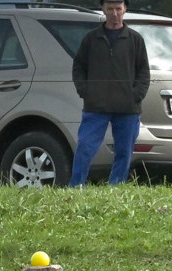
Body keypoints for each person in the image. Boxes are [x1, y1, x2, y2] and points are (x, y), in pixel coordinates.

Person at [69, 0, 150, 186]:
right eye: (110, 9)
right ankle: (75, 187)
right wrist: (85, 91)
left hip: (128, 109)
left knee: (124, 152)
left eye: (118, 9)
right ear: (103, 9)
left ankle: (116, 188)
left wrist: (135, 95)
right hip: (96, 107)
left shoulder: (135, 39)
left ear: (125, 9)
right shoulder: (91, 38)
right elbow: (79, 67)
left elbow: (144, 72)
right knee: (85, 146)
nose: (115, 13)